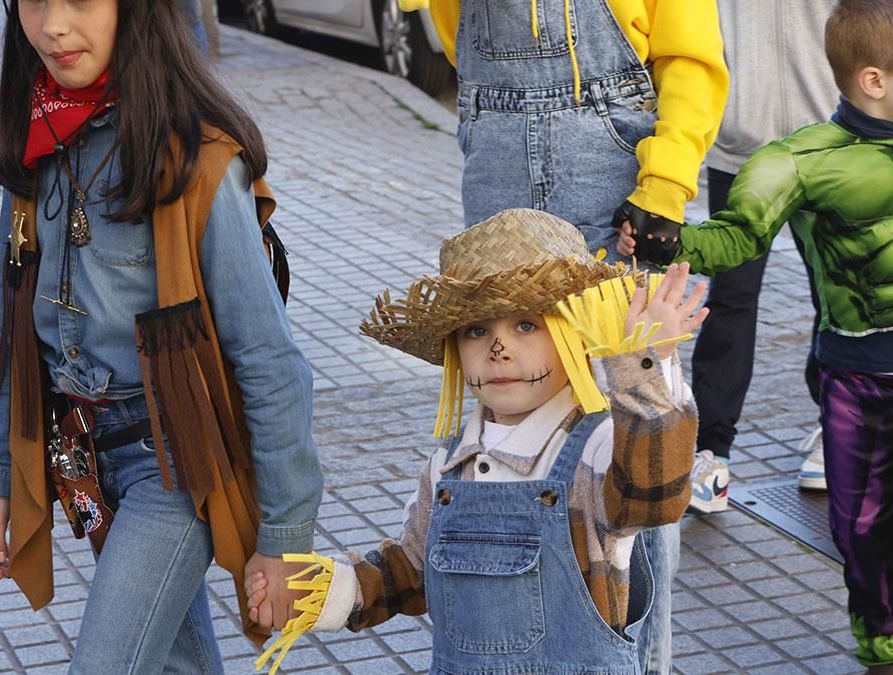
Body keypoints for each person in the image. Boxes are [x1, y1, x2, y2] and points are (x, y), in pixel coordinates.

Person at [622, 1, 893, 673]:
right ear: (873, 80)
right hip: (854, 380)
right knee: (862, 532)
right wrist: (669, 240)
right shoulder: (793, 163)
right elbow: (739, 239)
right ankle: (887, 651)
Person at [0, 1, 323, 671]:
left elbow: (270, 361)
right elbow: (9, 330)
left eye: (80, 0)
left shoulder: (199, 157)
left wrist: (285, 537)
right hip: (90, 461)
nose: (53, 28)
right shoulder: (40, 138)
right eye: (34, 3)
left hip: (177, 464)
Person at [400, 2, 729, 668]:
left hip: (611, 157)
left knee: (629, 420)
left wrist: (665, 185)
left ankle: (638, 660)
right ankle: (506, 640)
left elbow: (690, 51)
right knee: (505, 412)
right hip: (495, 150)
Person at [246, 209, 707, 674]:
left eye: (526, 325)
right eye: (477, 330)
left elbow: (653, 497)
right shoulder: (449, 467)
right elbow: (412, 567)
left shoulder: (596, 447)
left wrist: (647, 370)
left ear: (576, 335)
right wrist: (324, 589)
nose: (498, 347)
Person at [690, 0, 838, 507]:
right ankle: (711, 452)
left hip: (830, 143)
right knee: (731, 297)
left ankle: (838, 431)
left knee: (838, 294)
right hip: (739, 147)